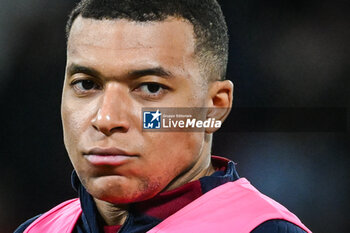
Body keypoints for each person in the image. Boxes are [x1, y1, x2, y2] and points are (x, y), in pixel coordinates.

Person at [15, 0, 311, 232]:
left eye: (151, 87)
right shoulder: (36, 230)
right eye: (86, 84)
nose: (106, 119)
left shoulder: (264, 229)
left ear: (214, 106)